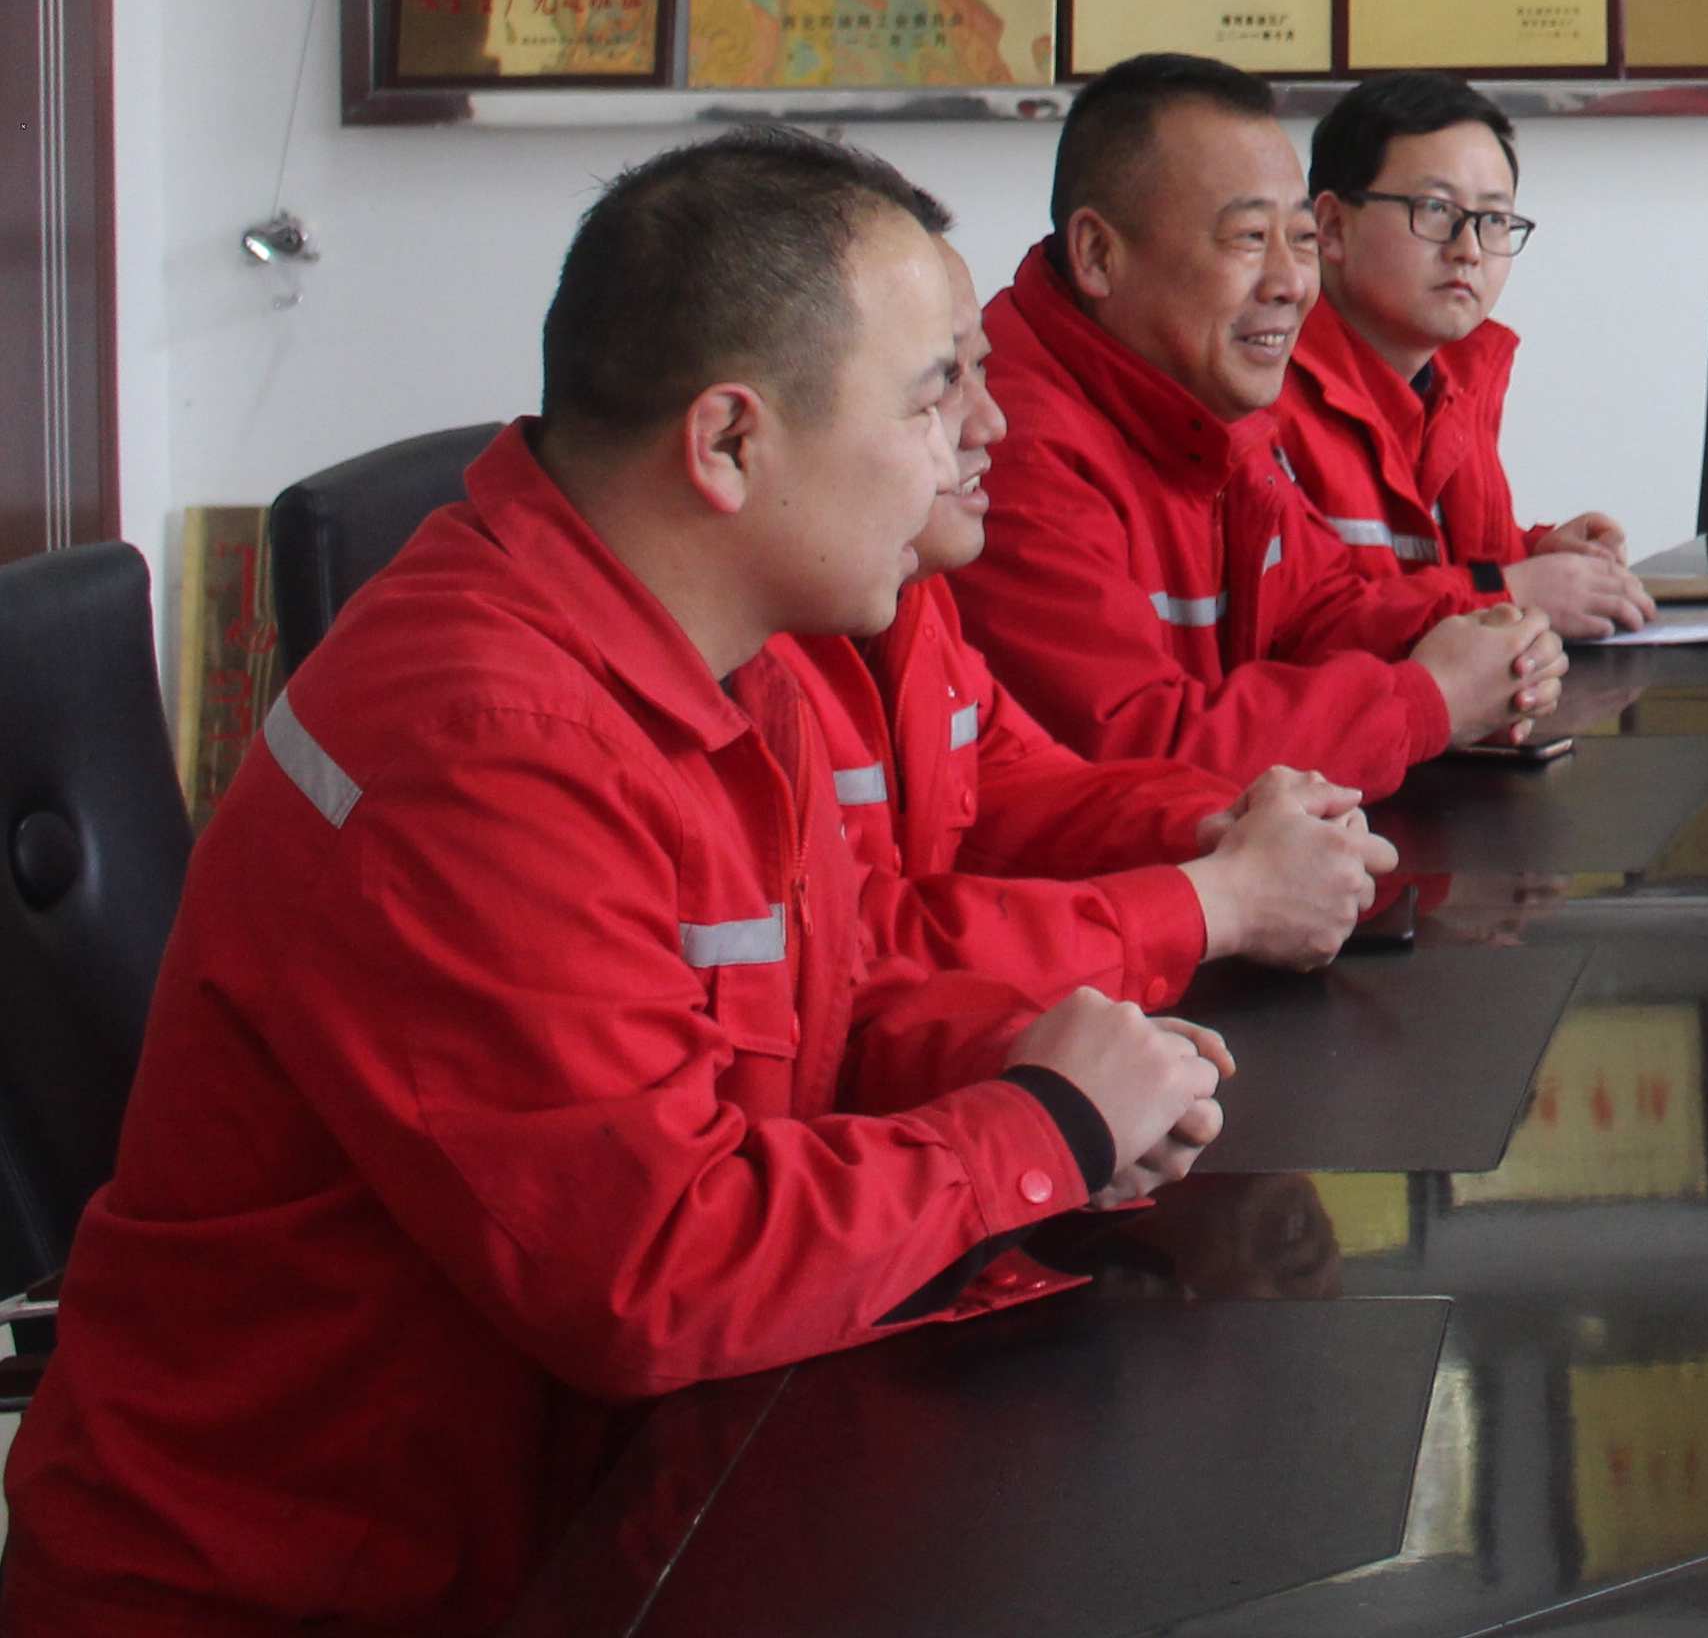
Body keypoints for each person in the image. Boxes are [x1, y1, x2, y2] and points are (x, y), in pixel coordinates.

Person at [0, 132, 1232, 1638]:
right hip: (302, 1595)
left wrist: (1030, 1062)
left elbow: (817, 1019)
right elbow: (652, 1270)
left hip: (565, 1512)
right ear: (728, 445)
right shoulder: (486, 743)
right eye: (931, 395)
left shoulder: (729, 663)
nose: (977, 436)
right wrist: (1038, 1132)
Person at [775, 201, 1403, 1013]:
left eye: (1300, 240)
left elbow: (1016, 788)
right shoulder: (779, 620)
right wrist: (1218, 901)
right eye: (939, 385)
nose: (991, 423)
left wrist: (1228, 824)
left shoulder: (904, 589)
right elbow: (844, 966)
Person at [954, 53, 1568, 794]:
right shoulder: (1006, 445)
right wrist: (1424, 703)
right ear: (1098, 255)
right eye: (1248, 237)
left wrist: (1489, 641)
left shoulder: (1203, 396)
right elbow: (1136, 749)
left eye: (1300, 240)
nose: (1292, 284)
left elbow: (1321, 612)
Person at [1282, 71, 1657, 640]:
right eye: (1435, 209)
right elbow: (1306, 626)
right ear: (1331, 226)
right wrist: (1511, 589)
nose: (1470, 250)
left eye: (1494, 220)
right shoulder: (1264, 391)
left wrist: (1537, 556)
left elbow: (1440, 570)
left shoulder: (1456, 378)